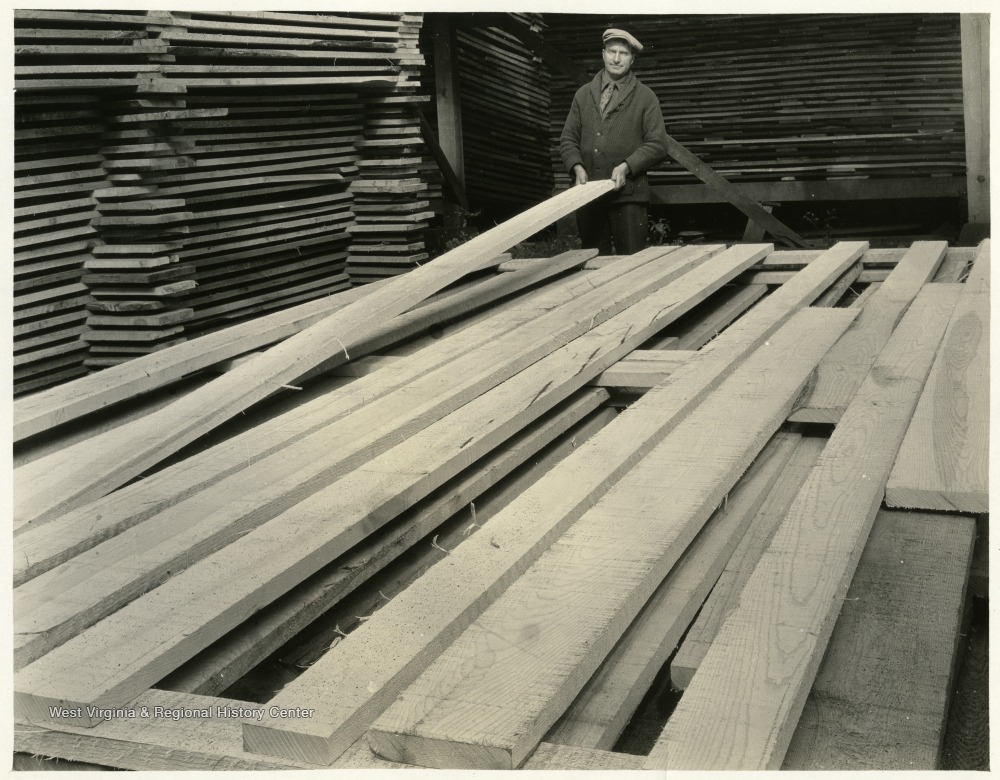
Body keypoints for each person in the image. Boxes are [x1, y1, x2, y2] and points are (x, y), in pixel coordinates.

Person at [559, 28, 669, 255]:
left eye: (623, 53)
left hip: (628, 197)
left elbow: (657, 144)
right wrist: (577, 167)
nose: (616, 58)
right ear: (603, 53)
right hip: (589, 195)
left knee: (631, 266)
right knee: (592, 263)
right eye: (611, 51)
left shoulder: (646, 97)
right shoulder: (583, 95)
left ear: (632, 59)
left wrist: (627, 166)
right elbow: (568, 139)